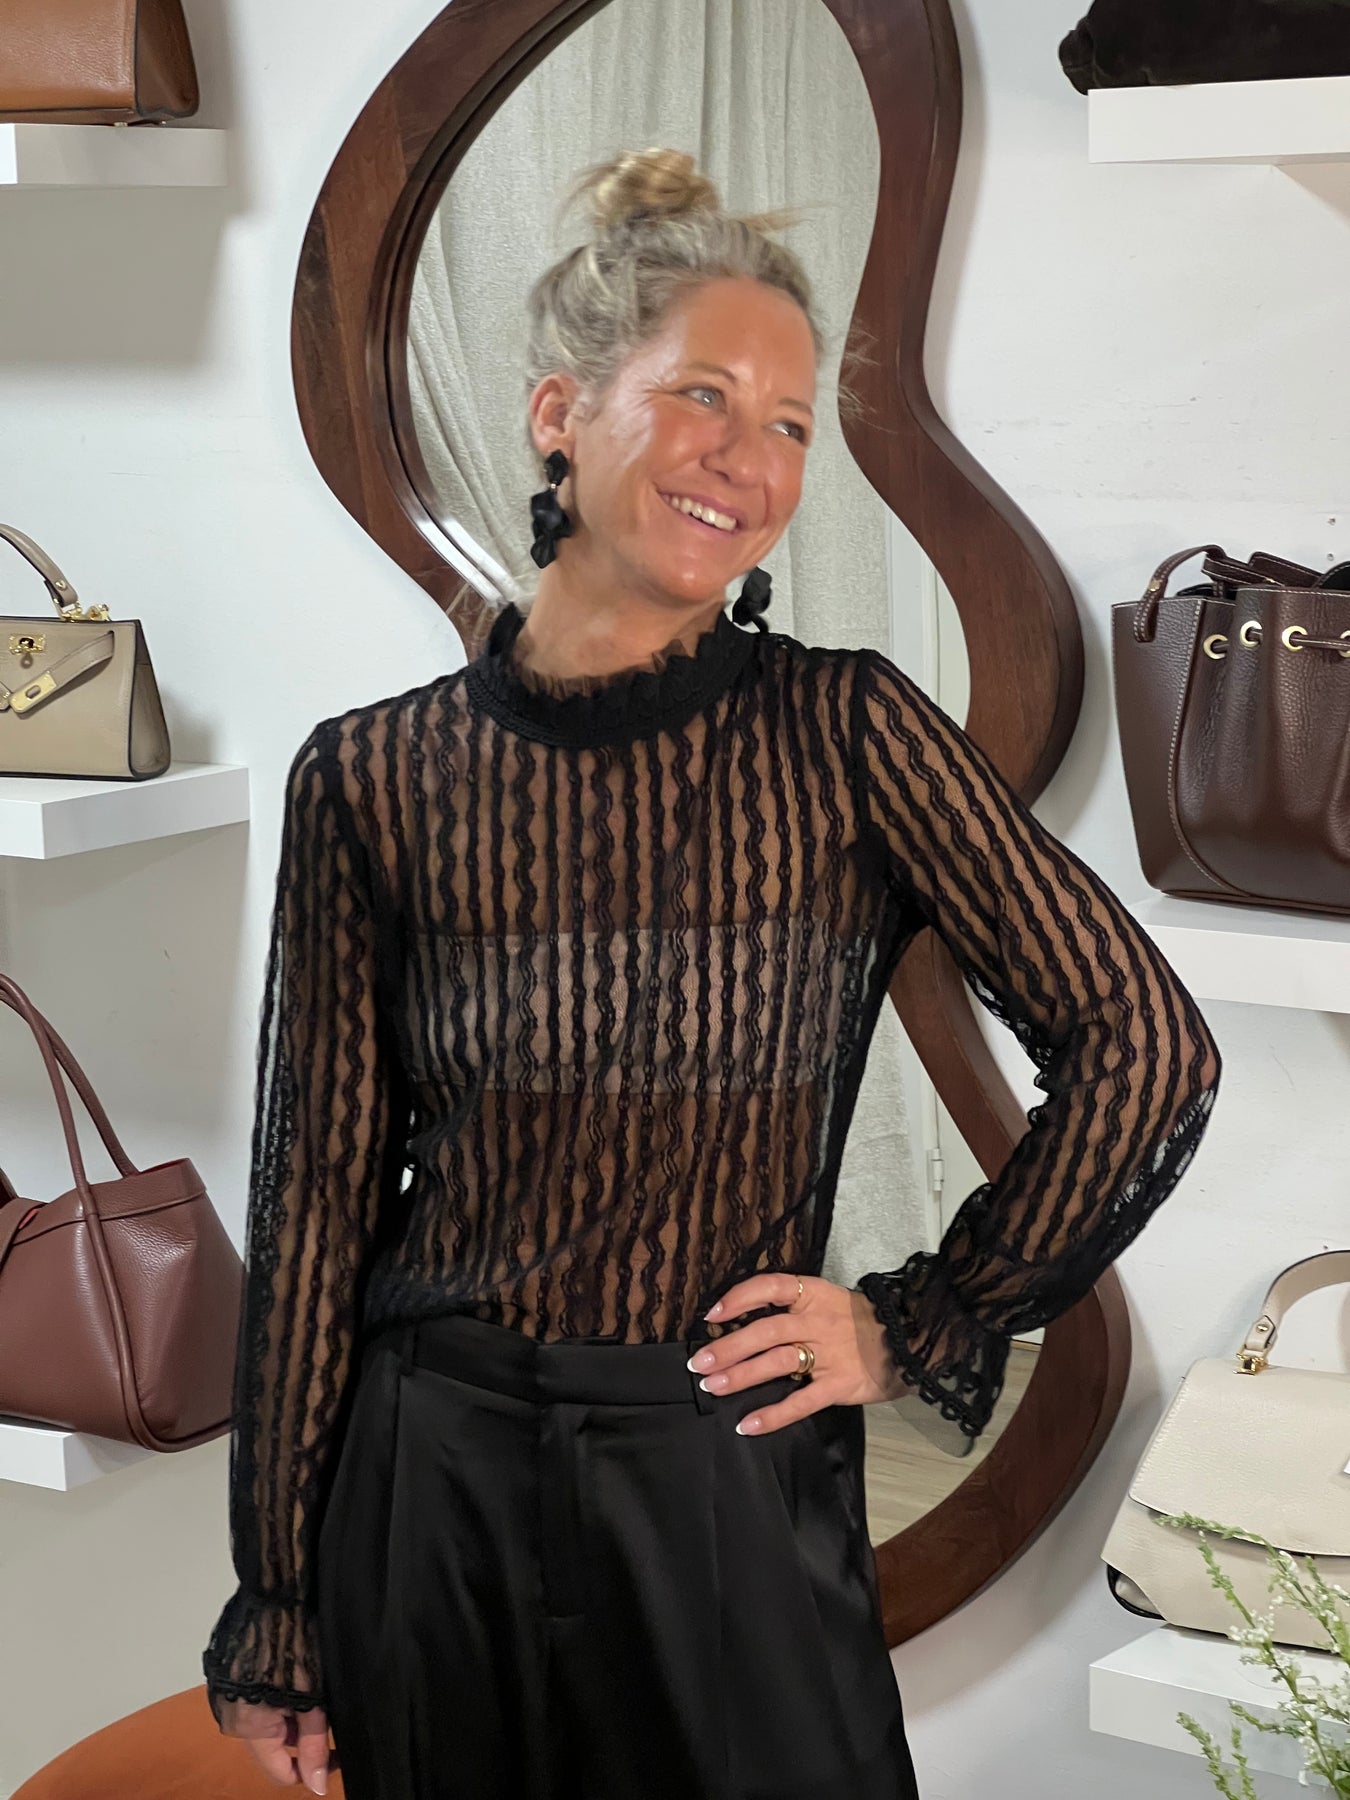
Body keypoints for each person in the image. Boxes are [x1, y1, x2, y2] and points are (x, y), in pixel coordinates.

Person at [201, 146, 1221, 1799]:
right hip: (427, 1480)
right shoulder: (369, 777)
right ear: (559, 412)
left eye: (792, 424)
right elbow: (315, 1198)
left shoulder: (847, 731)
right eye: (702, 397)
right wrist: (280, 1595)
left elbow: (1141, 1045)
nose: (748, 462)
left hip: (716, 1467)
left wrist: (924, 1316)